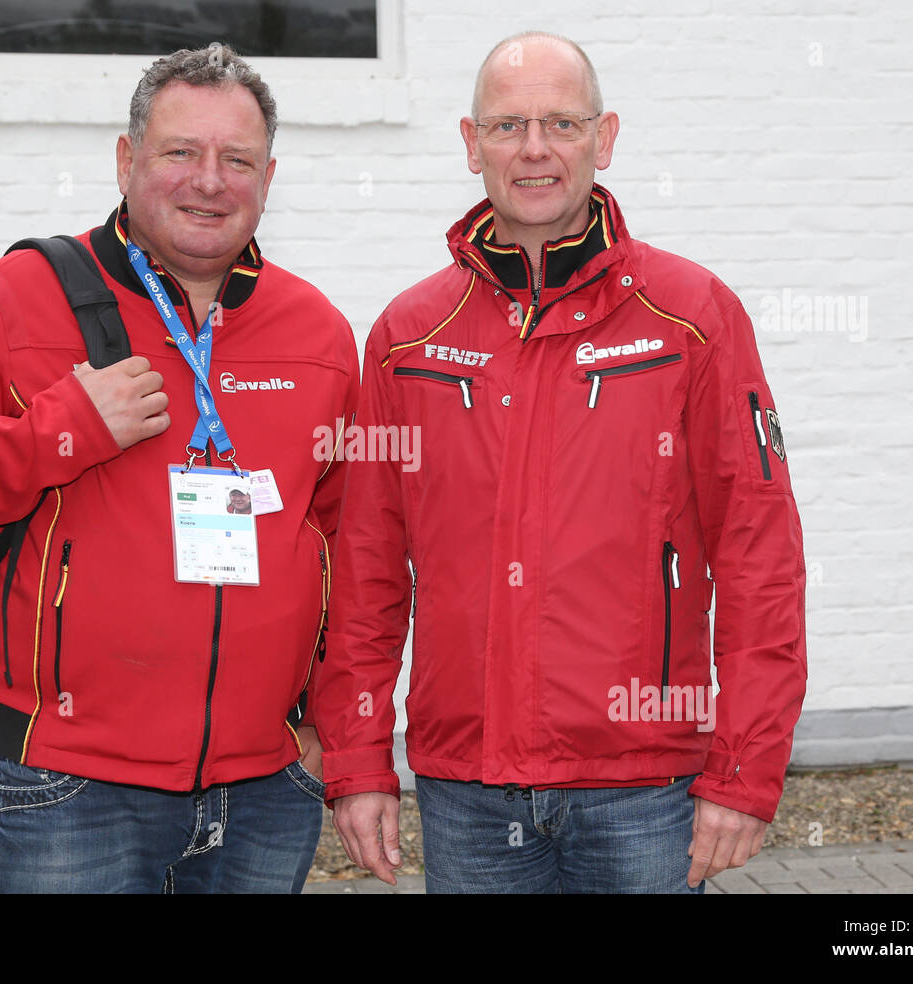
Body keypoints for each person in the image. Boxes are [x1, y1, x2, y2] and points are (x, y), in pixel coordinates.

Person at [316, 31, 806, 893]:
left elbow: (760, 557)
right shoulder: (407, 337)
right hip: (466, 789)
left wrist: (746, 770)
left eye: (560, 122)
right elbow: (365, 570)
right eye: (507, 127)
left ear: (604, 137)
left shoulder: (694, 319)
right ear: (471, 146)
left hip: (643, 788)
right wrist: (357, 760)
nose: (534, 149)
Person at [0, 44, 358, 893]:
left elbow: (349, 545)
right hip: (67, 787)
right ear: (127, 160)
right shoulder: (12, 296)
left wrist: (328, 729)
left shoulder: (317, 331)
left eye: (236, 159)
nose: (209, 180)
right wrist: (58, 432)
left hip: (266, 789)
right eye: (179, 152)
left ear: (268, 177)